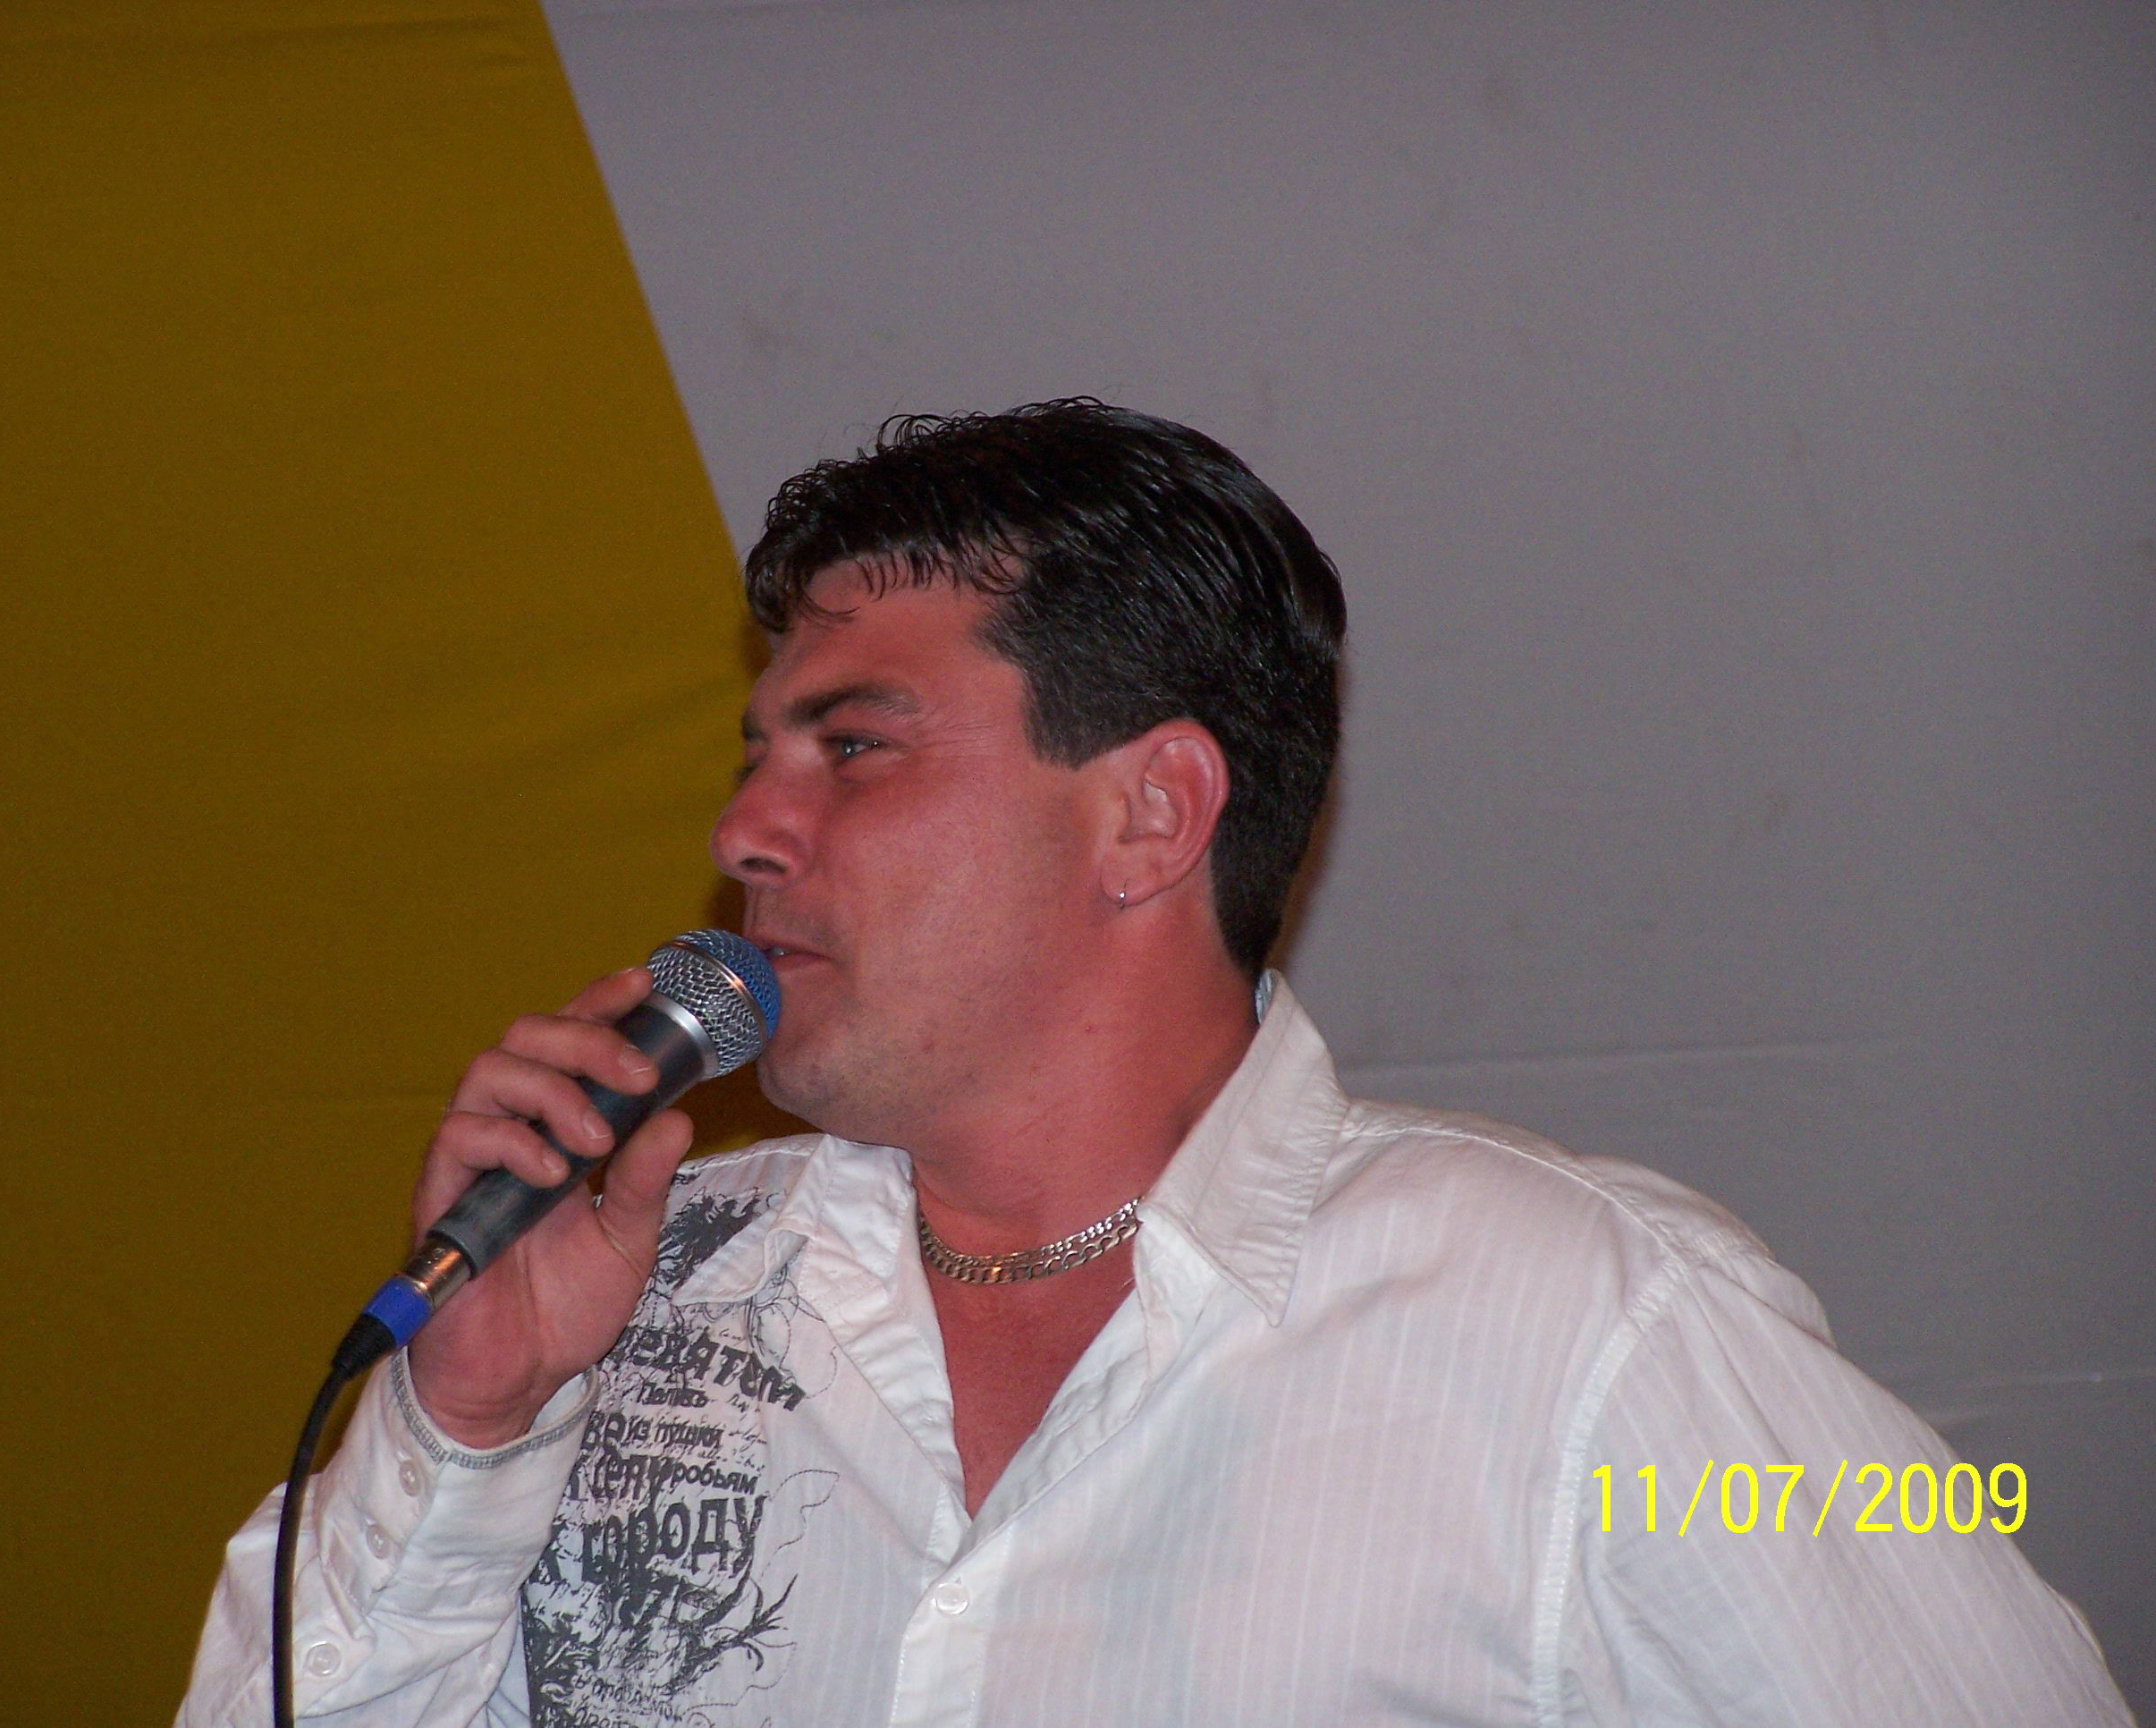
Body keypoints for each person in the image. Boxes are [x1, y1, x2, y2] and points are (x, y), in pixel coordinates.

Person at [180, 401, 2130, 1727]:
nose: (748, 829)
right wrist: (470, 1429)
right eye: (754, 757)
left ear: (1150, 813)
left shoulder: (1586, 1322)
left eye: (852, 747)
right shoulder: (621, 1297)